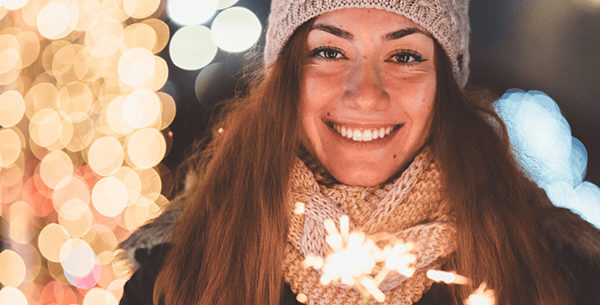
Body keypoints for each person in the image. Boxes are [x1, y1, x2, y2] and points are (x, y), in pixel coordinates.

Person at [118, 1, 600, 305]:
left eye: (405, 56)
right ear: (286, 76)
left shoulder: (554, 271)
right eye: (330, 52)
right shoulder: (178, 274)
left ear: (445, 87)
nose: (366, 94)